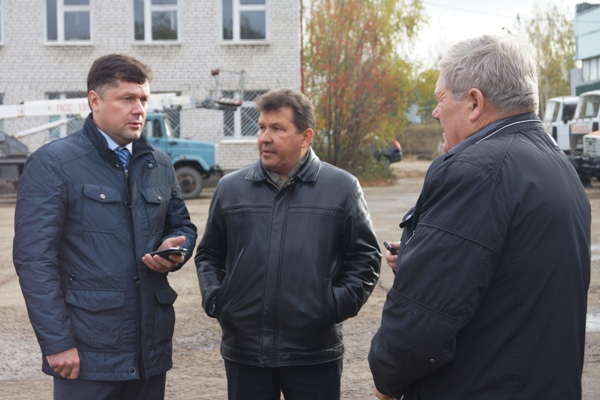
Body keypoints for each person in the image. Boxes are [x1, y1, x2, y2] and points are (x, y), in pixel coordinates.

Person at [369, 35, 591, 399]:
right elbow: (514, 274)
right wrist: (422, 258)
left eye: (440, 99)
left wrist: (386, 379)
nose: (435, 112)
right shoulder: (557, 165)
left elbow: (424, 319)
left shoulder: (475, 171)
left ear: (474, 103)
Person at [13, 54, 198, 400]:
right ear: (94, 101)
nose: (139, 109)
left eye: (144, 99)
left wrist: (177, 249)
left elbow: (181, 225)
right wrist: (57, 342)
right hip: (87, 354)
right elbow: (34, 260)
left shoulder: (158, 163)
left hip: (148, 349)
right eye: (127, 98)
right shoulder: (54, 164)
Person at [195, 88, 381, 400]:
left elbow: (365, 258)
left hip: (313, 353)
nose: (264, 138)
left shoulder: (342, 188)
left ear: (306, 137)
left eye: (278, 129)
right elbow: (209, 254)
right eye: (261, 127)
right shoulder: (230, 189)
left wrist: (333, 306)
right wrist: (218, 299)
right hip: (245, 352)